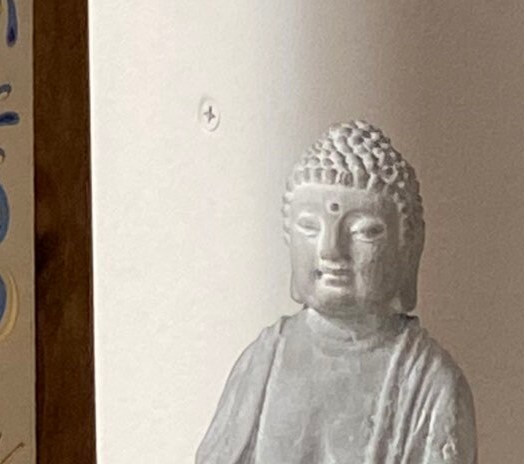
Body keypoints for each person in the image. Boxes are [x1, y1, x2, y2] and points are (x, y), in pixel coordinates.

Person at [197, 123, 475, 464]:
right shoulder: (262, 362)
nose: (331, 250)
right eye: (309, 227)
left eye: (364, 231)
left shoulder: (429, 383)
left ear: (408, 248)